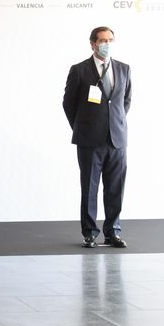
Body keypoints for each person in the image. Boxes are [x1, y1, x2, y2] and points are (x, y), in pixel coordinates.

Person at [63, 26, 131, 249]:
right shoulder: (79, 70)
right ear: (92, 43)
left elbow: (125, 101)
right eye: (102, 40)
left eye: (110, 40)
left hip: (117, 139)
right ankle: (90, 233)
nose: (106, 44)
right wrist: (83, 127)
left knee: (115, 188)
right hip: (89, 140)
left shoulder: (124, 69)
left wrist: (114, 124)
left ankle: (113, 232)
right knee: (89, 188)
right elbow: (68, 104)